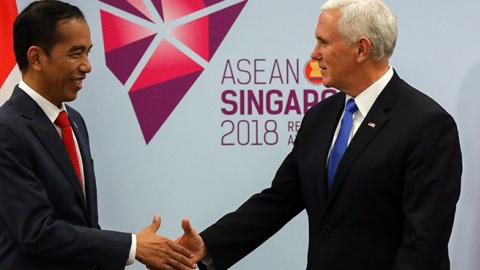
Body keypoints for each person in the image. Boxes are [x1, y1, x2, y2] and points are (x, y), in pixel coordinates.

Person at [174, 0, 463, 269]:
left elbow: (424, 243)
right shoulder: (320, 117)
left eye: (323, 42)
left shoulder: (427, 125)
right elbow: (279, 200)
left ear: (361, 49)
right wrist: (208, 245)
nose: (314, 53)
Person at [0, 1, 196, 270]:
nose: (87, 66)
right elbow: (36, 232)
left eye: (88, 53)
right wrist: (133, 247)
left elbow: (82, 225)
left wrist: (140, 250)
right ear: (36, 58)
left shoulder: (74, 121)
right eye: (75, 54)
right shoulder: (7, 129)